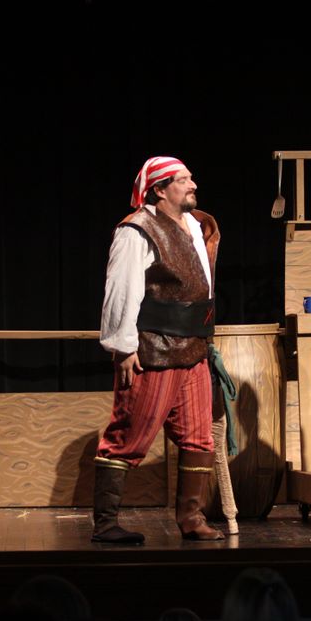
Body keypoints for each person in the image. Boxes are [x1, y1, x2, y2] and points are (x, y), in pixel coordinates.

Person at [93, 156, 223, 543]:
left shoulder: (198, 225)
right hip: (154, 349)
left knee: (199, 437)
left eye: (191, 177)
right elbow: (121, 289)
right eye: (182, 179)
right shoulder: (137, 230)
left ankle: (192, 518)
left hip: (193, 349)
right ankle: (105, 524)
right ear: (159, 190)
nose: (193, 184)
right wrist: (123, 346)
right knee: (128, 436)